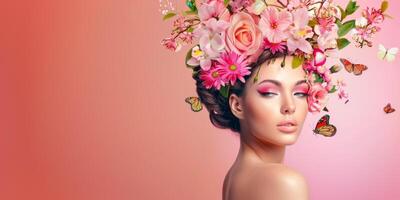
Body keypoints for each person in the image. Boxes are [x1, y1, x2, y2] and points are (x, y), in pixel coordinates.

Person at [193, 50, 310, 200]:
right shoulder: (284, 182)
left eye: (300, 93)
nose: (290, 106)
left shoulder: (235, 176)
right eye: (269, 93)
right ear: (237, 106)